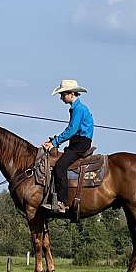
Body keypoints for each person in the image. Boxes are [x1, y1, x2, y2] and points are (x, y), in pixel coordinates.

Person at [42, 79, 94, 213]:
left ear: (71, 94)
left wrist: (54, 142)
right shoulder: (78, 108)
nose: (61, 98)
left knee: (60, 166)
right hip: (78, 141)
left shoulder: (78, 109)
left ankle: (62, 202)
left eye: (63, 94)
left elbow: (72, 130)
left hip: (80, 143)